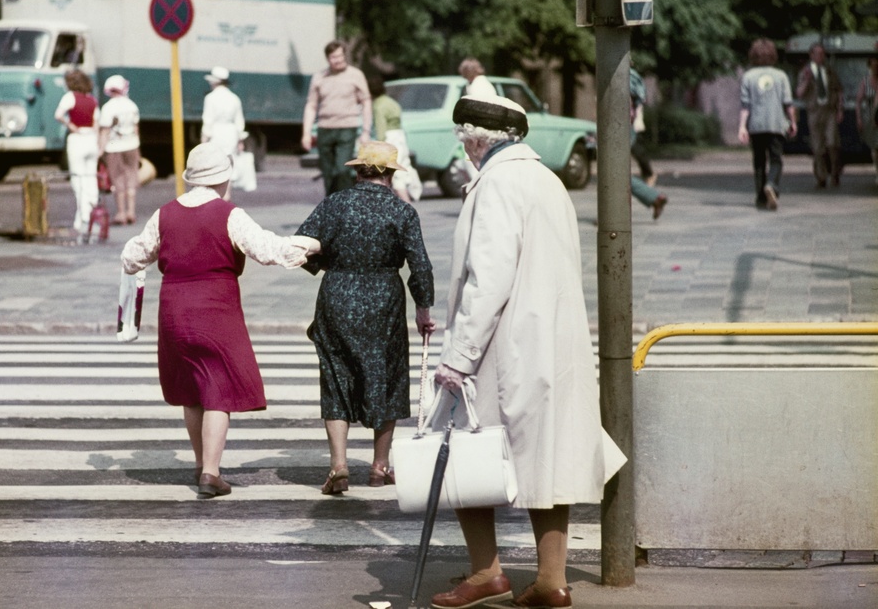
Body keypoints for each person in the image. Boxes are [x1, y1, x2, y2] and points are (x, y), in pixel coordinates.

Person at [430, 95, 623, 609]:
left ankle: (486, 573)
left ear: (476, 139)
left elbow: (487, 280)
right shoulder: (549, 180)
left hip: (503, 345)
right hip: (552, 342)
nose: (465, 151)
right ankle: (551, 580)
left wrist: (458, 356)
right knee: (548, 458)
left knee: (464, 453)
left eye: (465, 141)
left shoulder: (495, 184)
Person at [121, 143, 320, 499]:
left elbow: (133, 256)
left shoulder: (164, 213)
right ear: (223, 179)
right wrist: (310, 246)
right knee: (218, 390)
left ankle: (201, 464)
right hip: (215, 307)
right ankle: (211, 473)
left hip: (173, 309)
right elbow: (266, 249)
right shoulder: (229, 214)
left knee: (191, 390)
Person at [296, 141, 435, 494]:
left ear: (358, 171)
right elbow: (419, 264)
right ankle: (379, 466)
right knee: (385, 376)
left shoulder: (335, 204)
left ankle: (339, 465)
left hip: (337, 293)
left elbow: (303, 246)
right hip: (383, 297)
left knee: (336, 375)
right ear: (389, 174)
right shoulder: (402, 212)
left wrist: (328, 263)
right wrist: (423, 308)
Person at [301, 41, 372, 195]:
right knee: (328, 173)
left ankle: (345, 206)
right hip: (325, 128)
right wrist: (306, 134)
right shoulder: (319, 77)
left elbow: (366, 102)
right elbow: (311, 105)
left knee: (342, 170)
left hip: (347, 127)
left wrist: (365, 131)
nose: (338, 60)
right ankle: (332, 207)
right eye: (334, 57)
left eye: (340, 56)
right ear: (328, 59)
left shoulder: (355, 75)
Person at [737, 38, 798, 210]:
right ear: (773, 55)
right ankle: (772, 184)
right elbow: (788, 103)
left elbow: (745, 105)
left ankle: (760, 198)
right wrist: (792, 122)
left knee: (759, 162)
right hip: (776, 124)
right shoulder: (781, 76)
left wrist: (742, 127)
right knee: (776, 160)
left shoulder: (748, 76)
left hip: (756, 126)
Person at [54, 70, 100, 234]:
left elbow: (58, 115)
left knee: (78, 178)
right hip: (91, 139)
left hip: (77, 138)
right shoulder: (92, 100)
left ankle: (83, 217)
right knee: (91, 178)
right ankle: (92, 212)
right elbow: (96, 123)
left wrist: (70, 125)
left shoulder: (70, 97)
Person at [797, 42, 844, 188]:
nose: (820, 57)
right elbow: (799, 93)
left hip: (829, 110)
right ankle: (821, 176)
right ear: (811, 55)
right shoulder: (805, 72)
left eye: (822, 54)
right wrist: (807, 80)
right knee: (817, 147)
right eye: (817, 54)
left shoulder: (829, 71)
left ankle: (835, 173)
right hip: (814, 111)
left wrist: (840, 109)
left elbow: (839, 90)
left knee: (832, 143)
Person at [368, 76, 423, 203]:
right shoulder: (391, 102)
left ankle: (406, 206)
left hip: (389, 139)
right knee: (401, 170)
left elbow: (381, 131)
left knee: (394, 176)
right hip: (400, 137)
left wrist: (376, 148)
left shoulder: (378, 106)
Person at [98, 75, 141, 225]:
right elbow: (136, 128)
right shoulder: (132, 105)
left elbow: (104, 131)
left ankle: (121, 213)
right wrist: (138, 148)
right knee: (131, 178)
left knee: (118, 180)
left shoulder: (108, 107)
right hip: (132, 145)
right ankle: (131, 212)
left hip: (114, 148)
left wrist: (100, 151)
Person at [629, 69, 667, 219]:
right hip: (625, 126)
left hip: (620, 127)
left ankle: (654, 197)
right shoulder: (631, 76)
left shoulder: (622, 75)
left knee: (613, 172)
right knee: (614, 172)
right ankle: (654, 197)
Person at [201, 65, 246, 165]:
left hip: (216, 133)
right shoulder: (234, 98)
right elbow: (239, 121)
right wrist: (240, 140)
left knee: (215, 164)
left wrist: (204, 140)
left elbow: (208, 121)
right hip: (231, 133)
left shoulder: (210, 98)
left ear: (214, 82)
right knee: (230, 163)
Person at [628, 68, 656, 185]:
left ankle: (648, 173)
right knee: (633, 147)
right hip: (627, 118)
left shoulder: (631, 76)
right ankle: (648, 173)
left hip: (631, 119)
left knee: (635, 147)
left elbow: (639, 96)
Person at [855, 56, 878, 185]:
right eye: (873, 66)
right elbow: (858, 101)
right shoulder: (865, 81)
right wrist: (859, 118)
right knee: (875, 147)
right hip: (870, 117)